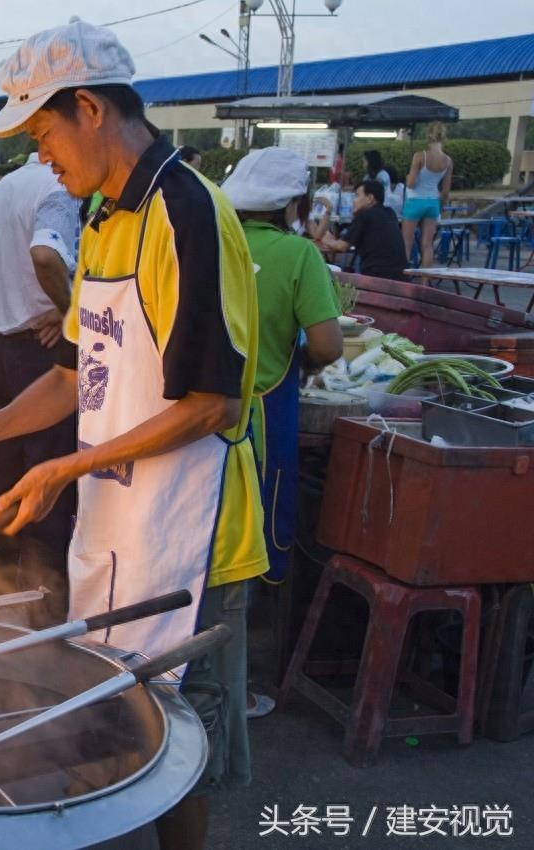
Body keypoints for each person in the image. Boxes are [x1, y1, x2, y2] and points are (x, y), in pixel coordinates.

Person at [0, 20, 266, 849]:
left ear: (91, 108)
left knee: (180, 748)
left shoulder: (187, 212)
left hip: (193, 537)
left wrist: (70, 465)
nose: (42, 158)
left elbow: (213, 401)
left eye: (43, 134)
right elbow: (75, 374)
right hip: (115, 526)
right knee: (103, 720)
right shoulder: (101, 217)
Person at [221, 148, 343, 719]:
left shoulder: (211, 242)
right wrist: (299, 359)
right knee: (253, 548)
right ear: (293, 204)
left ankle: (183, 680)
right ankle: (235, 690)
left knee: (208, 543)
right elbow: (327, 345)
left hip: (199, 420)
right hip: (264, 421)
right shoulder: (298, 254)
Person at [0, 151, 81, 622]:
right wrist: (73, 309)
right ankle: (42, 617)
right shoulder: (56, 189)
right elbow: (45, 253)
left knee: (0, 479)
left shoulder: (7, 185)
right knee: (45, 490)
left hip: (1, 345)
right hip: (42, 355)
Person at [321, 180, 408, 281]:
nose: (354, 200)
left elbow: (342, 246)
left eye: (357, 196)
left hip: (377, 278)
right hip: (401, 277)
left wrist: (328, 241)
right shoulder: (390, 213)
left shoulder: (364, 215)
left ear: (370, 198)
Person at [401, 122, 453, 265]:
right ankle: (425, 281)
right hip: (432, 203)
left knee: (406, 242)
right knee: (428, 245)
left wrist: (408, 177)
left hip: (415, 201)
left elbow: (411, 183)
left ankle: (403, 281)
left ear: (428, 136)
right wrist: (441, 206)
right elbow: (446, 191)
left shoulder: (420, 156)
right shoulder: (448, 161)